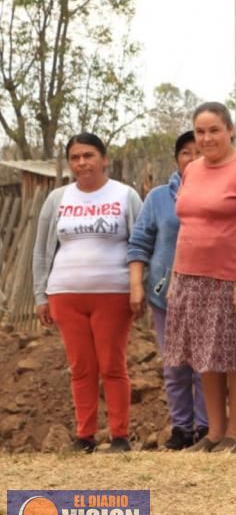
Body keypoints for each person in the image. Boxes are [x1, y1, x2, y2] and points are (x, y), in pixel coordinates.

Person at [164, 102, 236, 455]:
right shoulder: (192, 169)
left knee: (235, 359)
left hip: (231, 278)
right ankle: (213, 433)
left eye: (214, 130)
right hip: (190, 278)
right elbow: (187, 222)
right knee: (204, 358)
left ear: (230, 130)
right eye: (200, 131)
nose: (207, 138)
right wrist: (175, 277)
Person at [32, 133, 144, 453]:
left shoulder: (125, 195)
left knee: (112, 364)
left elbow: (139, 244)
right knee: (81, 367)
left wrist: (138, 286)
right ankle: (85, 436)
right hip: (65, 293)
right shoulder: (58, 199)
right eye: (76, 157)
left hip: (113, 292)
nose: (82, 163)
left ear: (104, 159)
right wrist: (41, 295)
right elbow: (41, 250)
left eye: (89, 156)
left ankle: (120, 435)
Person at [126, 130, 209, 450]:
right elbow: (139, 243)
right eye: (186, 152)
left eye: (199, 152)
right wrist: (136, 285)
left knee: (206, 366)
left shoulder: (221, 192)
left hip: (208, 293)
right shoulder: (159, 197)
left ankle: (206, 427)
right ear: (177, 158)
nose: (193, 158)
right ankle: (181, 427)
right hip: (166, 295)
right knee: (175, 365)